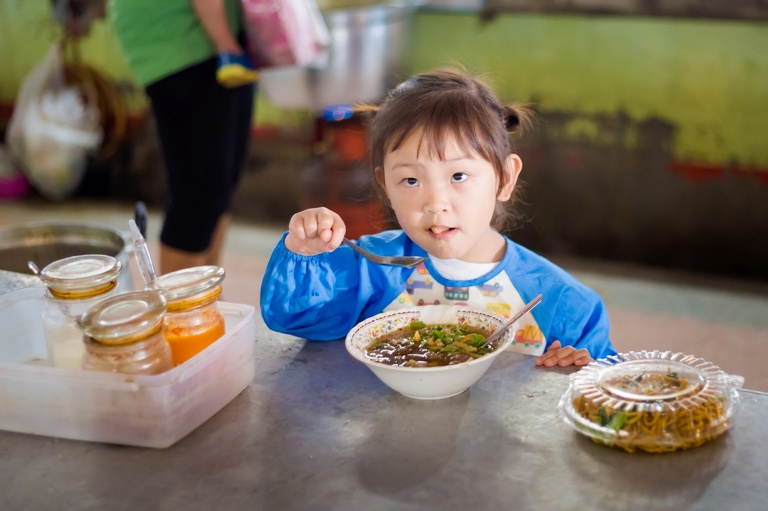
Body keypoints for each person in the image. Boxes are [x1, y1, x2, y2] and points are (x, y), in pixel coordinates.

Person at [260, 68, 616, 367]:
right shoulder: (368, 270)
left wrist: (579, 370)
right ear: (385, 184)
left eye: (458, 176)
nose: (435, 203)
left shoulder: (562, 303)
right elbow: (296, 316)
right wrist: (303, 254)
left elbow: (608, 384)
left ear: (505, 178)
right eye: (411, 180)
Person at [107, 0, 257, 274]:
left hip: (209, 36)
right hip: (186, 40)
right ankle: (179, 309)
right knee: (199, 198)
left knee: (218, 189)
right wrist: (224, 41)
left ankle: (206, 296)